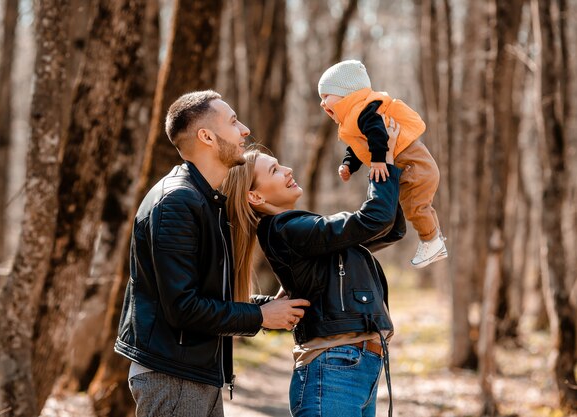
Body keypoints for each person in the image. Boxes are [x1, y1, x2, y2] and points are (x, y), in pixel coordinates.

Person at [115, 90, 310, 417]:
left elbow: (207, 294)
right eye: (233, 122)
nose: (245, 130)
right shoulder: (176, 203)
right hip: (172, 375)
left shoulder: (205, 201)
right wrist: (261, 317)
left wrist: (267, 307)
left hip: (191, 371)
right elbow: (182, 309)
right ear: (206, 136)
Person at [220, 117, 405, 417]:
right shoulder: (285, 228)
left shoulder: (297, 232)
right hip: (333, 370)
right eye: (274, 170)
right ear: (255, 196)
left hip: (354, 368)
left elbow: (390, 229)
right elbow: (374, 219)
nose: (287, 170)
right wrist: (382, 161)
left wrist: (392, 169)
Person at [318, 59, 447, 269]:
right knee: (417, 207)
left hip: (415, 166)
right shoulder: (356, 117)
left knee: (416, 207)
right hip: (413, 167)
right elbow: (360, 146)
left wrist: (379, 161)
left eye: (326, 96)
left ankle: (432, 242)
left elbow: (378, 134)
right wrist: (349, 164)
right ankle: (433, 239)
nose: (323, 103)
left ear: (346, 94)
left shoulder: (365, 111)